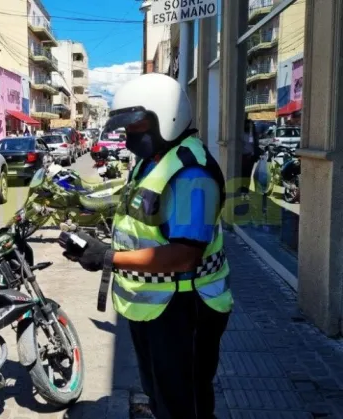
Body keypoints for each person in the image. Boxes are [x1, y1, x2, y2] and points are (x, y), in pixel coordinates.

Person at [61, 73, 233, 419]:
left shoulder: (190, 174)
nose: (128, 138)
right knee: (159, 393)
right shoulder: (150, 162)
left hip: (186, 308)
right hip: (152, 308)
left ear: (166, 116)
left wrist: (108, 257)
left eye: (135, 126)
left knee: (185, 403)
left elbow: (185, 255)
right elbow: (138, 214)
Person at [241, 118, 260, 200]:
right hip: (242, 157)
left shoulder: (253, 135)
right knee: (242, 174)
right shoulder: (242, 134)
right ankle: (241, 191)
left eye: (252, 126)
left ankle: (246, 191)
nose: (250, 127)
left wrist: (254, 154)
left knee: (248, 175)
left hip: (250, 157)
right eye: (249, 125)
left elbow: (255, 145)